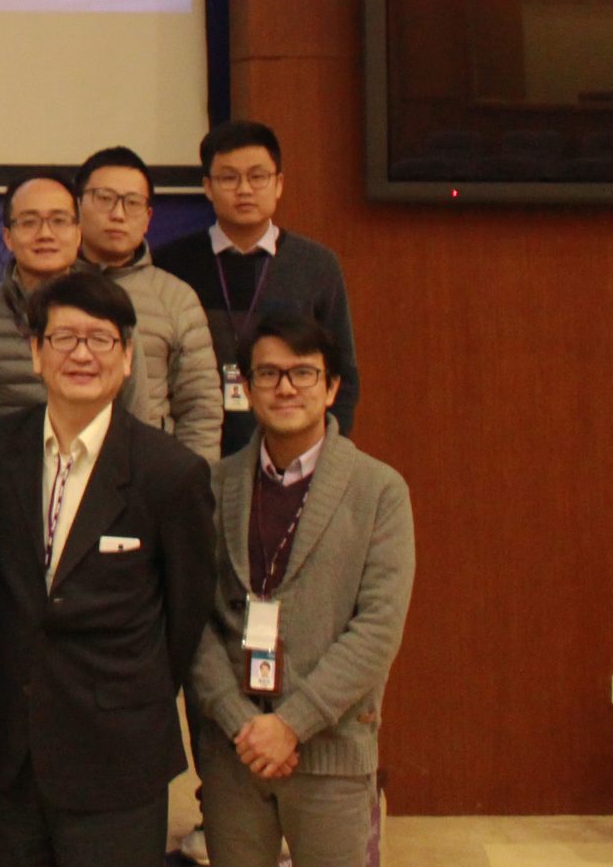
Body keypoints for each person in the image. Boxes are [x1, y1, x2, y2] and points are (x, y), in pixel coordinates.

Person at [0, 271, 215, 867]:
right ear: (36, 352)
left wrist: (128, 694)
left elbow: (186, 615)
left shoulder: (170, 472)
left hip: (117, 752)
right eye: (64, 338)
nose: (81, 354)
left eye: (100, 339)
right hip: (12, 749)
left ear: (127, 358)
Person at [190, 313, 412, 867]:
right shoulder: (214, 485)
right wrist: (242, 724)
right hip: (233, 754)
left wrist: (291, 725)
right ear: (246, 388)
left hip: (330, 752)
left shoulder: (379, 490)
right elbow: (193, 620)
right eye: (268, 373)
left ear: (332, 387)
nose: (285, 387)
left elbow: (377, 629)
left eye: (303, 373)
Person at [152, 122, 361, 455]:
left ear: (279, 185)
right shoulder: (171, 263)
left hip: (291, 450)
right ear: (208, 187)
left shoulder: (316, 264)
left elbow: (342, 372)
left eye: (257, 176)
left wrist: (324, 453)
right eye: (229, 178)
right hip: (193, 451)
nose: (244, 189)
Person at [0, 176, 103, 472]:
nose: (45, 234)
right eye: (29, 222)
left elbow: (132, 413)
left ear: (79, 233)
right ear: (7, 237)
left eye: (59, 221)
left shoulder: (109, 312)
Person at [74, 149, 222, 464]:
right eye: (105, 199)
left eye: (132, 203)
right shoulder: (50, 290)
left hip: (149, 472)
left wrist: (192, 483)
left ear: (148, 218)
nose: (118, 214)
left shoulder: (176, 298)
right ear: (78, 205)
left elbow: (200, 410)